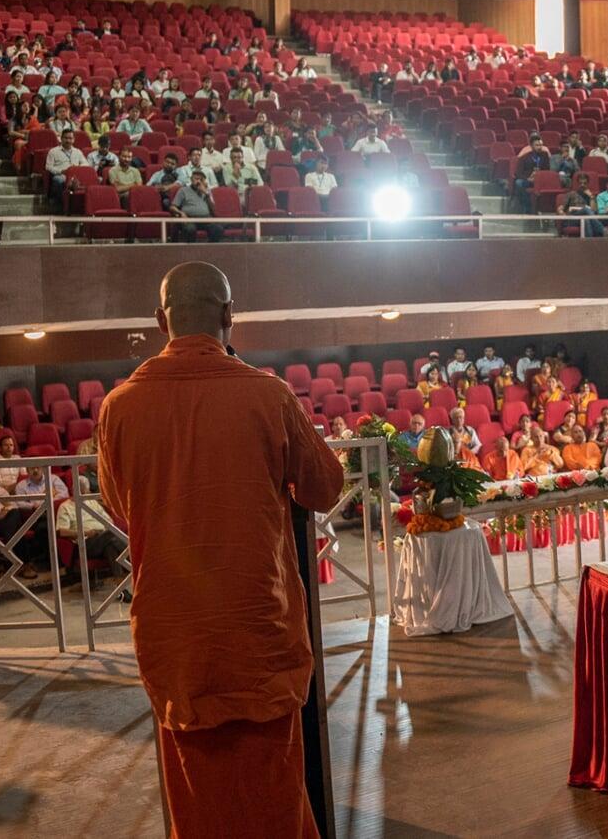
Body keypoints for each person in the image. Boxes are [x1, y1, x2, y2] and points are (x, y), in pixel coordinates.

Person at [97, 261, 342, 838]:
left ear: (161, 322)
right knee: (274, 796)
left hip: (176, 635)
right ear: (230, 314)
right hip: (258, 627)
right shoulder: (268, 394)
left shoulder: (120, 406)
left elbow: (119, 506)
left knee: (197, 802)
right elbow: (324, 487)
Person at [54, 494, 131, 594]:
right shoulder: (65, 507)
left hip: (103, 537)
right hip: (85, 542)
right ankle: (133, 557)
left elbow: (109, 521)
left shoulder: (92, 502)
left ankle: (122, 590)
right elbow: (61, 532)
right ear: (74, 490)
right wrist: (85, 533)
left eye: (84, 489)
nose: (84, 491)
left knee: (110, 547)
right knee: (111, 535)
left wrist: (102, 530)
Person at [169, 171, 223, 243]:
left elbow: (213, 209)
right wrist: (181, 213)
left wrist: (206, 194)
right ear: (191, 179)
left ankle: (209, 248)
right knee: (190, 229)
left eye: (201, 179)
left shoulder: (206, 192)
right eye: (196, 179)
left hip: (206, 220)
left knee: (218, 229)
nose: (199, 181)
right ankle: (192, 249)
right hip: (190, 219)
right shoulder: (183, 190)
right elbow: (172, 207)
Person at [512, 135, 552, 214]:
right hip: (528, 180)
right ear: (531, 146)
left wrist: (539, 175)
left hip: (541, 180)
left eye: (541, 145)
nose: (540, 147)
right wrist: (528, 178)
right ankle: (527, 207)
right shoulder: (524, 157)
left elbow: (547, 170)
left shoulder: (545, 155)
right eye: (537, 145)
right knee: (518, 182)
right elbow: (518, 173)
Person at [45, 129, 84, 200]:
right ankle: (62, 202)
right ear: (61, 139)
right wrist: (61, 171)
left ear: (74, 140)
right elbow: (48, 167)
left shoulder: (78, 152)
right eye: (66, 138)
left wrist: (78, 168)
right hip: (62, 175)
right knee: (58, 180)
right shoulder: (53, 151)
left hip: (76, 175)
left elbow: (86, 164)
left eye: (70, 138)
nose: (68, 140)